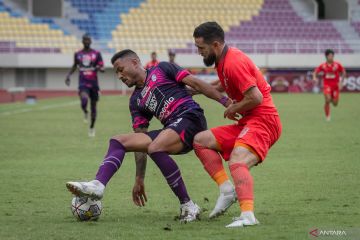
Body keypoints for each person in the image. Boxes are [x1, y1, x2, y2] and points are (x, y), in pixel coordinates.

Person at [66, 49, 232, 222]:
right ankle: (98, 185)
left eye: (120, 69)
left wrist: (226, 102)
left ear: (135, 62)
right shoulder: (135, 101)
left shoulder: (163, 69)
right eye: (116, 72)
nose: (119, 76)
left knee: (156, 147)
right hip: (172, 129)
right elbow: (140, 140)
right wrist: (139, 178)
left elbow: (196, 83)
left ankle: (188, 205)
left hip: (191, 117)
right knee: (119, 141)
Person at [192, 22, 282, 228]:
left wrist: (233, 108)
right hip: (249, 121)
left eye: (200, 48)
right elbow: (220, 84)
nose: (198, 52)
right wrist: (192, 89)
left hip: (263, 121)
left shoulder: (233, 62)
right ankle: (227, 190)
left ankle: (248, 215)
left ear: (215, 45)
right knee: (200, 141)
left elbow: (256, 97)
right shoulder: (223, 60)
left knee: (237, 161)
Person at [65, 34, 104, 137]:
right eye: (85, 40)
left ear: (91, 41)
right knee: (84, 100)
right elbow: (74, 66)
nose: (87, 41)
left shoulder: (96, 53)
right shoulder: (78, 54)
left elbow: (101, 66)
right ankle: (85, 111)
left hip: (94, 84)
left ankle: (91, 127)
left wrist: (100, 69)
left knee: (94, 108)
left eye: (88, 40)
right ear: (82, 41)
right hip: (83, 83)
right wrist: (68, 75)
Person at [313, 49, 346, 121]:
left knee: (335, 104)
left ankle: (331, 99)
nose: (331, 57)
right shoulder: (323, 66)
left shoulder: (337, 65)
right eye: (329, 56)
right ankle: (327, 117)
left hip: (335, 86)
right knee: (327, 100)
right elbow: (315, 71)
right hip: (327, 85)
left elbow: (343, 72)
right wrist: (314, 77)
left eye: (332, 56)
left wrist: (341, 82)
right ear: (326, 56)